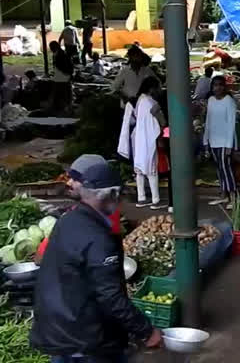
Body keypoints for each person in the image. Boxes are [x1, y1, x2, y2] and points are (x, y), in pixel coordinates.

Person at [30, 160, 163, 361]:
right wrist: (146, 331)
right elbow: (110, 296)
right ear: (112, 195)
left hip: (57, 328)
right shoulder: (99, 238)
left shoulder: (67, 220)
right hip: (85, 337)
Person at [203, 75, 238, 207]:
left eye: (220, 85)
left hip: (225, 141)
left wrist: (229, 145)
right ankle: (224, 195)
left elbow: (231, 124)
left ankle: (234, 197)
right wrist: (205, 140)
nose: (217, 88)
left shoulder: (229, 101)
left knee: (226, 168)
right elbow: (208, 121)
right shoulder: (211, 100)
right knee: (218, 168)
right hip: (213, 140)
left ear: (224, 87)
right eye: (215, 85)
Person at [133, 77, 167, 209]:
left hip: (139, 138)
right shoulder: (150, 102)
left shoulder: (140, 100)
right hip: (148, 138)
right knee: (152, 169)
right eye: (158, 87)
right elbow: (160, 122)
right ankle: (155, 199)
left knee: (140, 170)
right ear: (152, 88)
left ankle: (141, 198)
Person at [49, 41, 73, 113]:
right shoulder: (58, 53)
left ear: (55, 47)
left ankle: (65, 107)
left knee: (63, 93)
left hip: (63, 77)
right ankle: (63, 107)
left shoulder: (61, 54)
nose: (51, 49)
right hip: (61, 76)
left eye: (51, 48)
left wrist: (68, 74)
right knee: (62, 93)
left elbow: (64, 66)